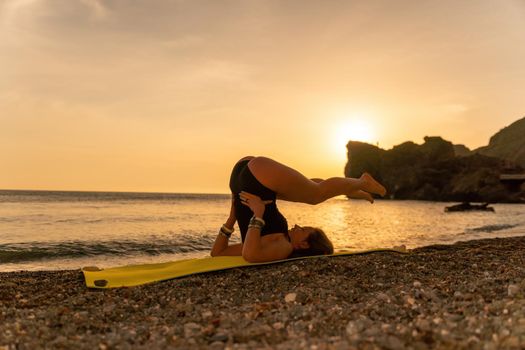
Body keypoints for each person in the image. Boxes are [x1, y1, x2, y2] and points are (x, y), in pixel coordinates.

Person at [210, 156, 386, 262]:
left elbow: (223, 254)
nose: (296, 226)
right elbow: (246, 253)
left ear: (303, 244)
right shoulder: (279, 243)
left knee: (315, 194)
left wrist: (234, 219)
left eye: (302, 229)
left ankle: (362, 181)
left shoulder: (285, 247)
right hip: (248, 177)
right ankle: (350, 189)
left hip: (250, 175)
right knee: (308, 189)